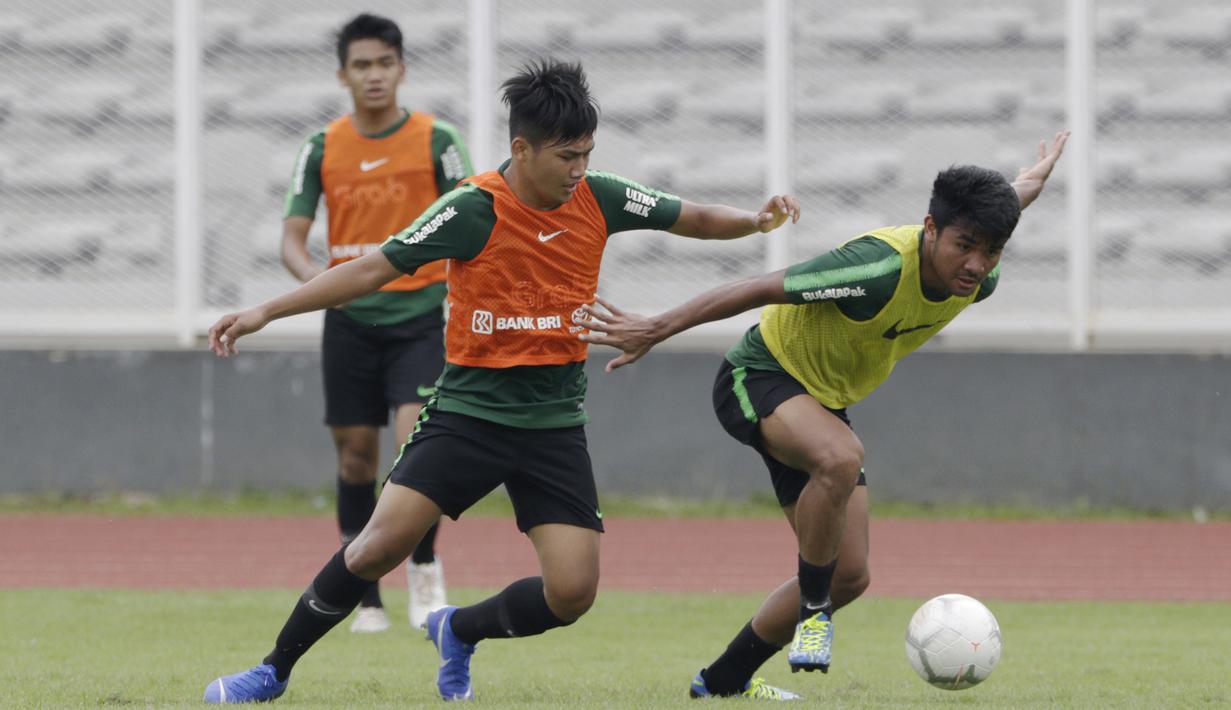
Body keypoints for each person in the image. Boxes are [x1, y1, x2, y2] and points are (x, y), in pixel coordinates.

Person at [201, 58, 801, 704]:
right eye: (567, 156)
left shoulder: (599, 196)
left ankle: (457, 628)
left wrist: (753, 220)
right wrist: (266, 308)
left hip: (552, 425)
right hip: (468, 414)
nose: (578, 169)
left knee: (572, 594)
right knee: (377, 548)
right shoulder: (473, 207)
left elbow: (690, 217)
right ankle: (270, 673)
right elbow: (374, 268)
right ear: (522, 148)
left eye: (586, 154)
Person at [578, 132, 1070, 699]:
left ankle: (720, 683)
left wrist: (1038, 174)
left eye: (993, 251)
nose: (977, 264)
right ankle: (815, 613)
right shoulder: (877, 268)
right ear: (930, 228)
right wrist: (656, 327)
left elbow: (1015, 195)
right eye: (965, 245)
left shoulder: (976, 274)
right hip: (758, 374)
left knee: (851, 576)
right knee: (840, 457)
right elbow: (760, 287)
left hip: (819, 400)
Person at [281, 13, 472, 633]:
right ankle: (361, 592)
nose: (373, 75)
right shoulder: (321, 147)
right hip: (348, 323)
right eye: (360, 65)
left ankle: (424, 568)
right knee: (356, 459)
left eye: (384, 63)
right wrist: (319, 285)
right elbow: (291, 240)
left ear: (402, 68)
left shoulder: (436, 139)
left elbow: (476, 217)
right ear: (343, 74)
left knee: (412, 442)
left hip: (420, 318)